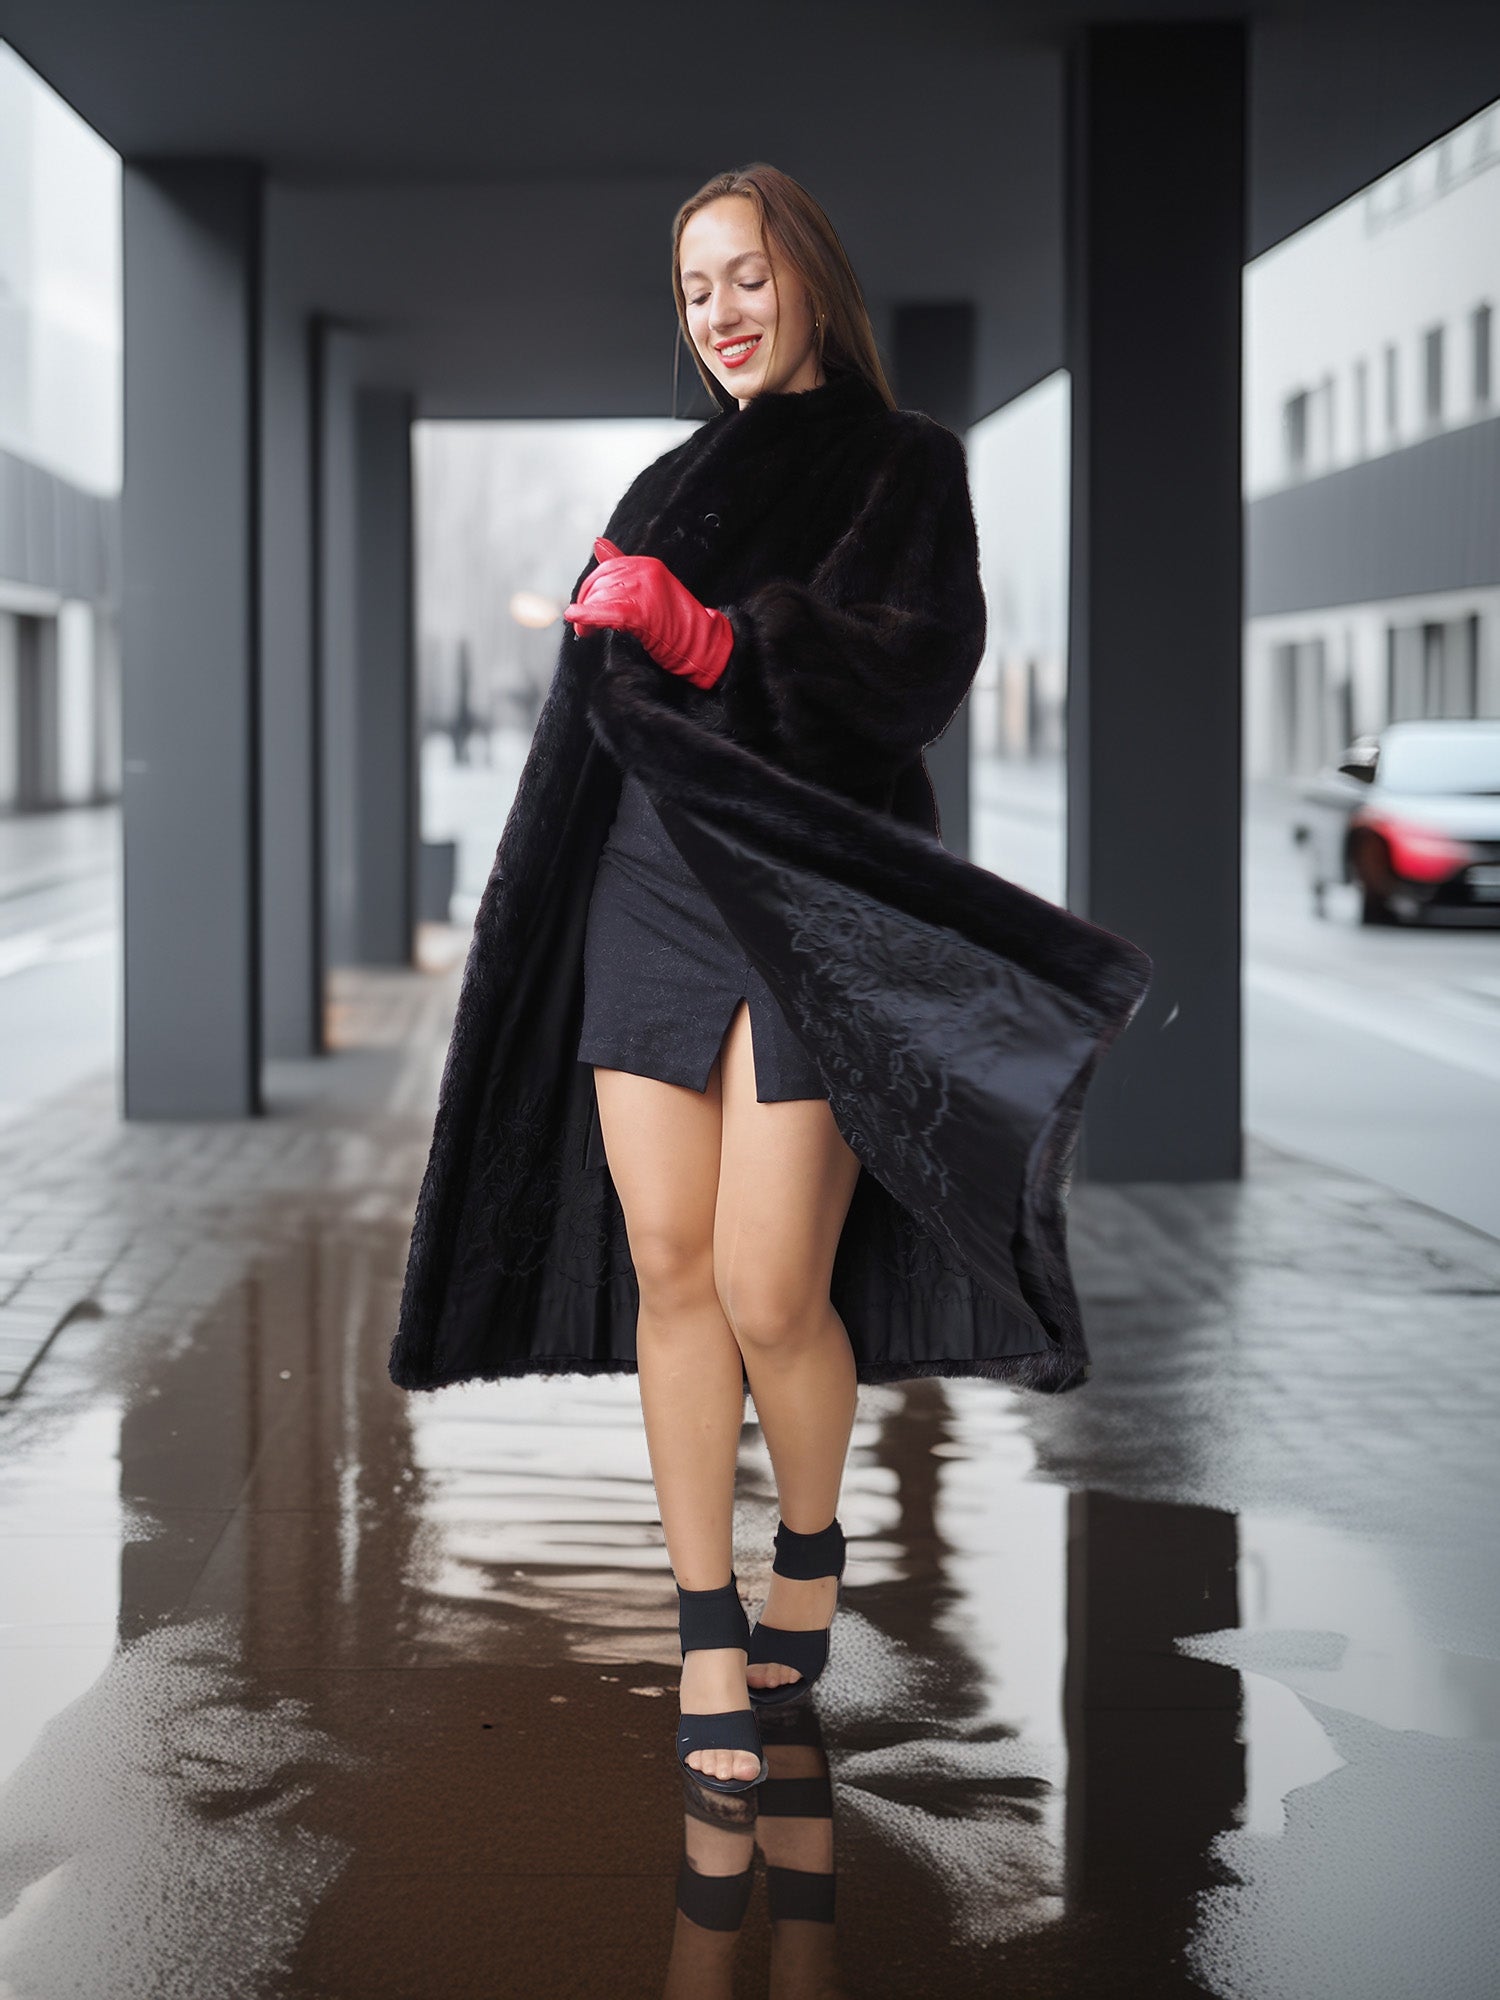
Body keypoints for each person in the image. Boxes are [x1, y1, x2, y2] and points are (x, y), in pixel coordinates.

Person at [389, 164, 1151, 1801]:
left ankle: (813, 1534)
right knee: (670, 1268)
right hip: (644, 896)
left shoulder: (905, 466)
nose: (720, 315)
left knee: (766, 1286)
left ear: (808, 278)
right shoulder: (664, 484)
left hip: (804, 908)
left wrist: (720, 643)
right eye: (692, 293)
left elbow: (910, 675)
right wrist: (609, 640)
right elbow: (599, 711)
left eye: (745, 278)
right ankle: (708, 1630)